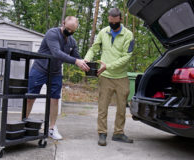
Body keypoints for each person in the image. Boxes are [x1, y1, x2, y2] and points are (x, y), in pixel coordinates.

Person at [26, 16, 89, 140]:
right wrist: (77, 61)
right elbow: (57, 53)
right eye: (68, 29)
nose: (69, 32)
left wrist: (86, 64)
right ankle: (24, 122)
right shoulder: (52, 33)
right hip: (40, 69)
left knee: (55, 99)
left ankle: (52, 128)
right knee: (30, 97)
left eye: (73, 31)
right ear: (63, 23)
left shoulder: (72, 41)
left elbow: (76, 57)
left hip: (55, 72)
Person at [84, 8, 135, 146]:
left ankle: (118, 133)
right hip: (105, 77)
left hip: (121, 77)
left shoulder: (128, 35)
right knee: (102, 107)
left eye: (115, 22)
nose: (112, 25)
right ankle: (102, 133)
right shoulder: (103, 32)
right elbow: (94, 48)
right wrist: (86, 60)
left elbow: (126, 57)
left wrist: (108, 66)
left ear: (120, 19)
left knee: (121, 109)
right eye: (110, 22)